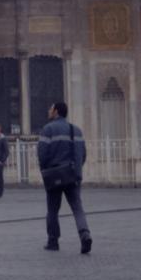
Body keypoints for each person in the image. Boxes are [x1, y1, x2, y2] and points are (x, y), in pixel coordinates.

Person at [38, 102, 92, 254]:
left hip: (54, 174)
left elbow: (42, 154)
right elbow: (83, 154)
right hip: (72, 175)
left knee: (52, 210)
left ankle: (53, 241)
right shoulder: (76, 130)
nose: (49, 111)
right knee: (77, 207)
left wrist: (45, 170)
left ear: (56, 111)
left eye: (51, 108)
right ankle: (85, 234)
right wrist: (76, 170)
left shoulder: (48, 129)